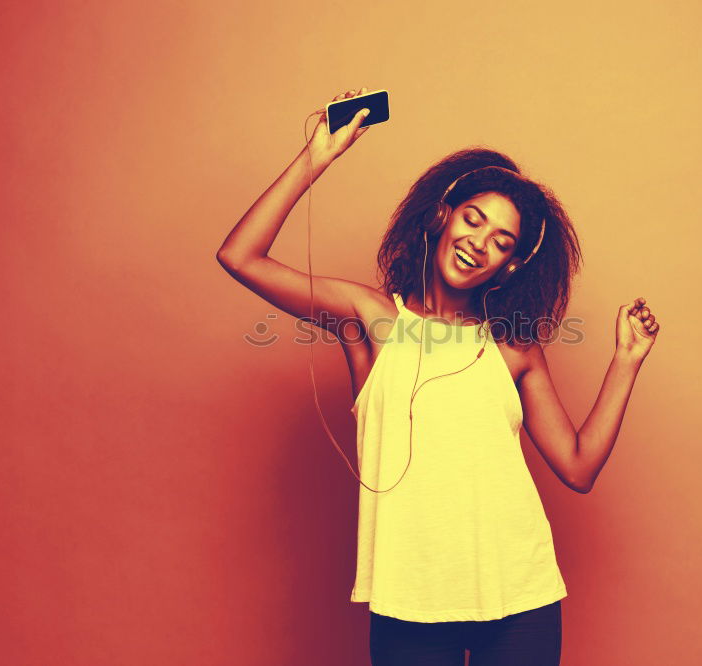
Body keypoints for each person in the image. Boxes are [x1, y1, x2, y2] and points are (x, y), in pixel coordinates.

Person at [216, 87, 660, 666]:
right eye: (473, 220)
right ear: (442, 217)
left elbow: (578, 468)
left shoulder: (513, 348)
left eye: (501, 242)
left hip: (520, 594)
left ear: (513, 264)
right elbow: (240, 257)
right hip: (410, 599)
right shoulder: (371, 321)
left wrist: (625, 361)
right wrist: (316, 158)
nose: (480, 244)